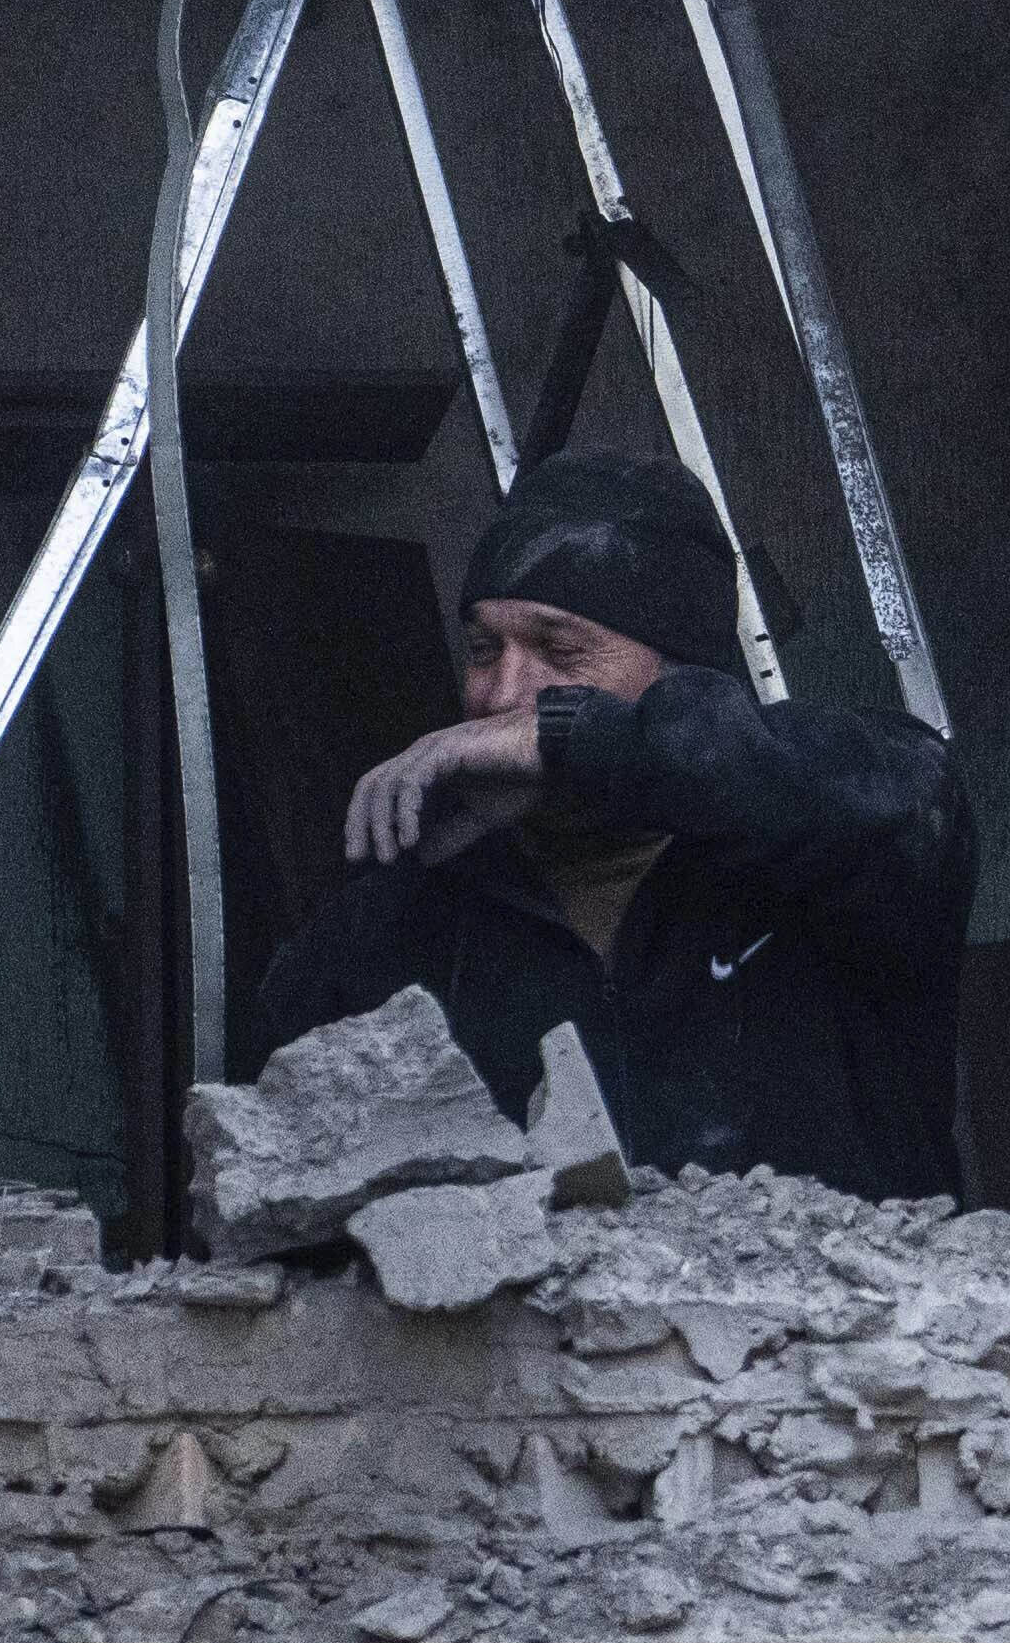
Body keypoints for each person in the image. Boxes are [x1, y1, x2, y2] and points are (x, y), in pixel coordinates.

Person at [230, 453, 965, 1202]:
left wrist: (574, 740)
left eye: (561, 651)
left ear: (684, 680)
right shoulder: (401, 919)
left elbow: (918, 790)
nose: (505, 694)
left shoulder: (829, 849)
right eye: (485, 651)